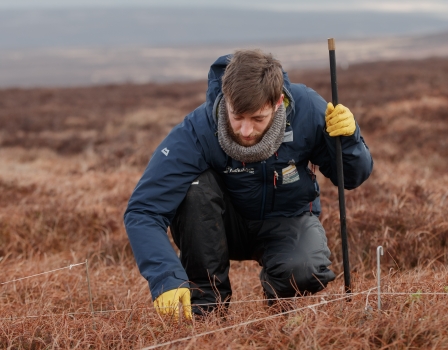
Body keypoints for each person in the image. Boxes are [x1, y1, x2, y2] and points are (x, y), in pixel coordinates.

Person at [124, 49, 373, 320]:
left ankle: (282, 311)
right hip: (219, 228)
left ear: (278, 103)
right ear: (226, 98)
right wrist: (165, 279)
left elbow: (351, 178)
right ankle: (206, 312)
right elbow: (144, 211)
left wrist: (349, 140)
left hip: (287, 219)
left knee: (304, 270)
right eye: (237, 116)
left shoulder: (309, 109)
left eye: (257, 119)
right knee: (195, 186)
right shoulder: (198, 130)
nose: (245, 131)